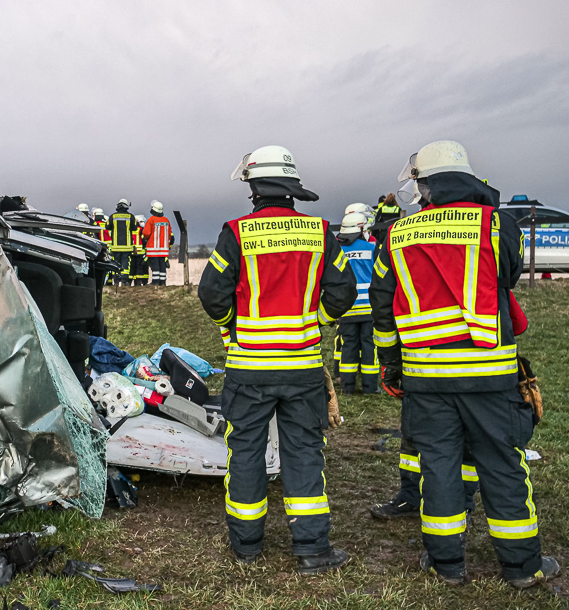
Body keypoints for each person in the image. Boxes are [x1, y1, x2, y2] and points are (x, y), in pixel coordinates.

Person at [370, 140, 559, 587]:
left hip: (425, 377)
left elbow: (383, 303)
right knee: (502, 464)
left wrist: (390, 364)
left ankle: (446, 564)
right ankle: (521, 568)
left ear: (426, 184)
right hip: (490, 375)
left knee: (437, 466)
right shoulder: (497, 223)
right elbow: (507, 276)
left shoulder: (399, 233)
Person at [199, 145, 357, 572]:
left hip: (249, 366)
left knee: (246, 450)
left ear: (253, 188)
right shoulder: (320, 231)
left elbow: (211, 294)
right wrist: (317, 319)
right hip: (302, 364)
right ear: (291, 187)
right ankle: (312, 548)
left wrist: (232, 328)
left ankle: (246, 545)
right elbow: (343, 292)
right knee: (304, 451)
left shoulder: (236, 233)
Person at [370, 291, 528, 520]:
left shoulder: (406, 256)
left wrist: (391, 363)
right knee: (462, 443)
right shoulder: (485, 260)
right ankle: (451, 502)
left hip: (428, 372)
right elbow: (518, 323)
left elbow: (384, 303)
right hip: (481, 375)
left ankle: (426, 501)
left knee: (425, 442)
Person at [336, 210, 380, 395]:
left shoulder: (340, 251)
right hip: (369, 309)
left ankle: (347, 386)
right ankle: (370, 387)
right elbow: (380, 276)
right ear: (362, 229)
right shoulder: (371, 249)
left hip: (347, 309)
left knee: (349, 346)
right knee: (370, 345)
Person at [142, 200, 173, 286]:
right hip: (164, 249)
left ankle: (155, 282)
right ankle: (162, 282)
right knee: (162, 265)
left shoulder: (151, 220)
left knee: (155, 266)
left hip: (153, 248)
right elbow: (170, 234)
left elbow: (146, 233)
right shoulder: (166, 220)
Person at [106, 200, 135, 286]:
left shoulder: (113, 216)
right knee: (125, 263)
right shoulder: (131, 216)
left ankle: (116, 281)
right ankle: (124, 281)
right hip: (127, 246)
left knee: (116, 263)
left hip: (116, 246)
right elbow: (134, 228)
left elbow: (107, 226)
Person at [129, 214, 148, 285]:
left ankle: (129, 282)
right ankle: (138, 282)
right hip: (140, 252)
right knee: (139, 267)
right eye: (141, 221)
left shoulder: (130, 230)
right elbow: (144, 240)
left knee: (132, 267)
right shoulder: (141, 230)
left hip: (131, 252)